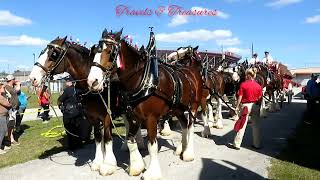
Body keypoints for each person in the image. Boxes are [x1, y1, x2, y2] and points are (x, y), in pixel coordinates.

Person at [227, 68, 263, 150]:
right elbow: (260, 97)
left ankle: (237, 144)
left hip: (246, 106)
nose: (245, 76)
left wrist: (237, 106)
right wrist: (259, 106)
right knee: (256, 126)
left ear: (248, 75)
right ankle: (257, 144)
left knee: (242, 125)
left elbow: (240, 96)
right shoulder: (258, 86)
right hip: (255, 105)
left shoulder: (243, 84)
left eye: (246, 75)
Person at [57, 76, 90, 150]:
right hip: (79, 112)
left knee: (70, 130)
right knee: (78, 129)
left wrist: (60, 107)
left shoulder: (67, 90)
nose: (66, 82)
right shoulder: (79, 90)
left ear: (71, 82)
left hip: (69, 114)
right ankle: (80, 144)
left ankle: (72, 146)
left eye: (67, 81)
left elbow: (59, 100)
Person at [5, 74, 20, 145]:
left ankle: (10, 138)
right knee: (11, 124)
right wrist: (18, 85)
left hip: (14, 108)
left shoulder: (11, 87)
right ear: (11, 80)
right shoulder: (7, 87)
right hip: (10, 108)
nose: (15, 80)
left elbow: (17, 92)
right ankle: (10, 139)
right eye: (14, 79)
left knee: (12, 124)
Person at [0, 83, 12, 154]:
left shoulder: (3, 95)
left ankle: (2, 145)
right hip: (1, 115)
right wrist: (11, 103)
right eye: (3, 88)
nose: (4, 89)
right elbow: (7, 104)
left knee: (4, 131)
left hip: (5, 114)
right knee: (2, 131)